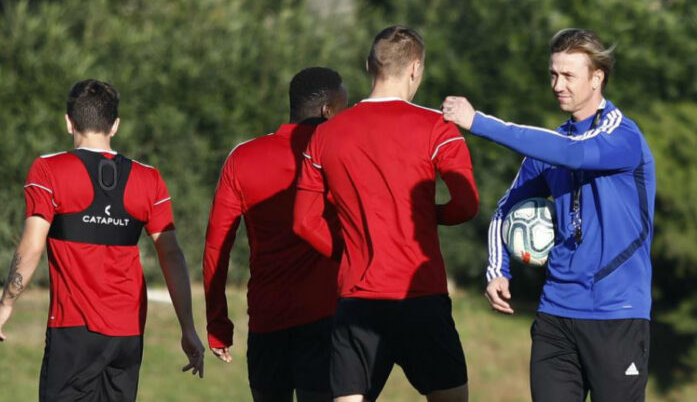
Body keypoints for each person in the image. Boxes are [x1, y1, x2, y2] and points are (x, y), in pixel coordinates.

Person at [441, 28, 656, 402]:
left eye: (569, 75)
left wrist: (478, 121)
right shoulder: (550, 149)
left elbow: (573, 154)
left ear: (597, 77)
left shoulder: (622, 137)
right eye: (553, 74)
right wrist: (498, 270)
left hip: (617, 314)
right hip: (555, 316)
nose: (558, 84)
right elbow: (505, 209)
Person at [294, 26, 479, 402]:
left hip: (357, 300)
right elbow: (466, 205)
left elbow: (303, 222)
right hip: (420, 295)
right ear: (415, 69)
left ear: (368, 66)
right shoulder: (438, 128)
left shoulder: (324, 135)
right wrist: (429, 216)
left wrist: (346, 251)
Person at [0, 79, 204, 402]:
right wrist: (188, 328)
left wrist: (6, 302)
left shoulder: (48, 170)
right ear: (116, 125)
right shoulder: (148, 178)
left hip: (74, 332)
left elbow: (32, 245)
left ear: (69, 122)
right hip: (127, 337)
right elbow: (172, 256)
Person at [203, 67, 348, 402]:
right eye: (345, 107)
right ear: (327, 110)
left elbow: (216, 248)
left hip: (268, 321)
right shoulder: (340, 156)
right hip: (328, 316)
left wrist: (217, 322)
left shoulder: (243, 158)